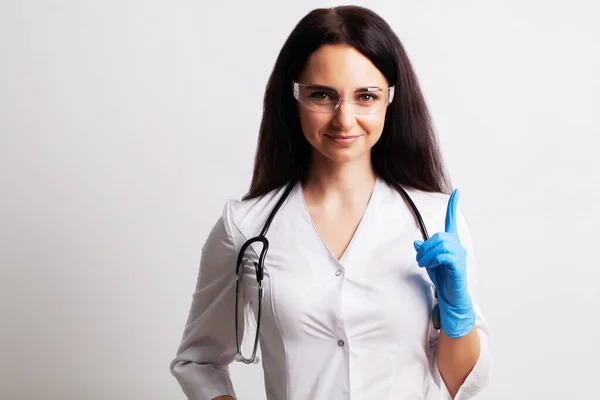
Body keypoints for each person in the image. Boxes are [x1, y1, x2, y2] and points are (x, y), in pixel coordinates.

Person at [170, 5, 492, 400]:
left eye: (366, 96)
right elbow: (198, 360)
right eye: (322, 95)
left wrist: (457, 315)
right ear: (294, 97)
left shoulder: (437, 220)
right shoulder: (245, 228)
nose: (344, 119)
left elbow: (463, 383)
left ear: (390, 99)